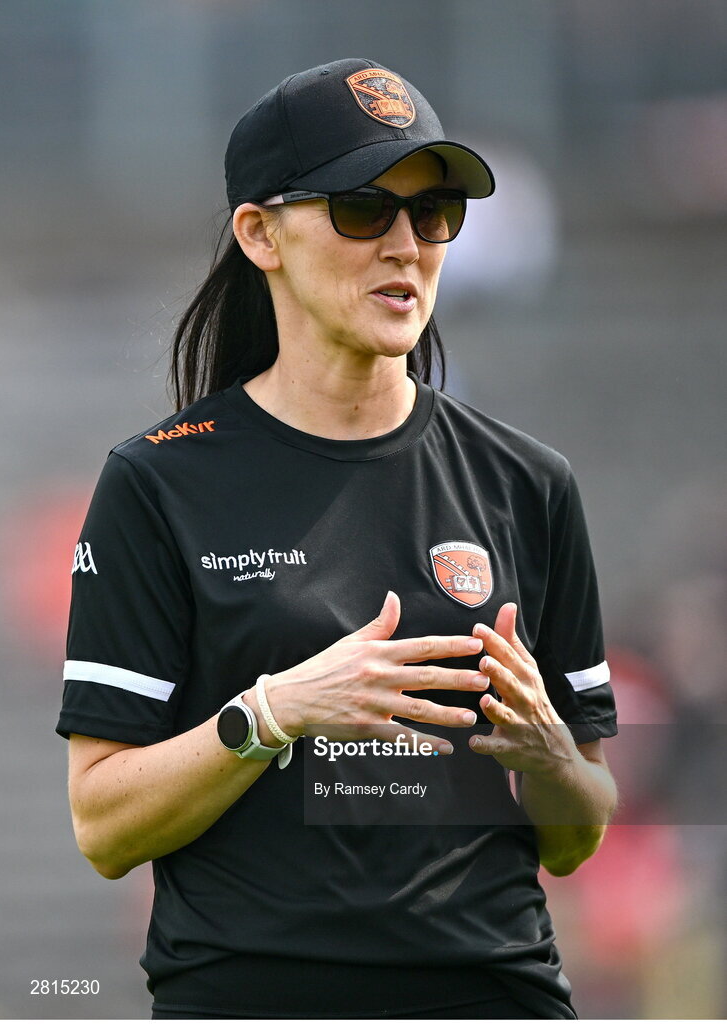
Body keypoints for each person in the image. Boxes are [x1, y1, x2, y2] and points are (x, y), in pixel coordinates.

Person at [57, 58, 618, 1020]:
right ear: (260, 234)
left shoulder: (528, 483)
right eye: (364, 209)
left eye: (432, 212)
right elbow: (104, 828)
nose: (406, 245)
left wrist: (551, 758)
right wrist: (272, 714)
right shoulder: (158, 483)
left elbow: (577, 836)